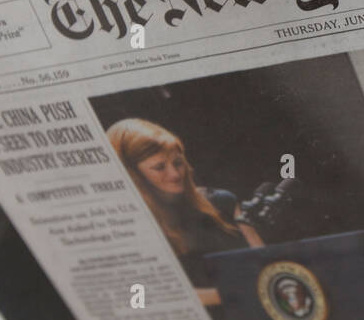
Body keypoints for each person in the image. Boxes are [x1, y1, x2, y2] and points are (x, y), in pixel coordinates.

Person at [106, 118, 263, 308]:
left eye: (178, 163)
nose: (174, 174)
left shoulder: (222, 201)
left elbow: (265, 258)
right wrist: (235, 292)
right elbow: (144, 297)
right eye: (159, 167)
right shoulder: (128, 226)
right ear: (133, 174)